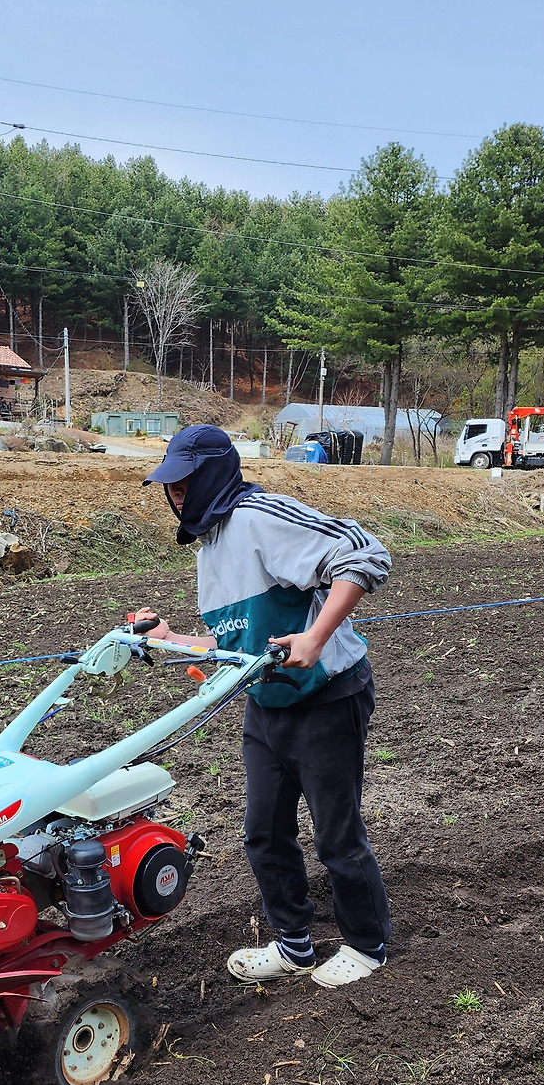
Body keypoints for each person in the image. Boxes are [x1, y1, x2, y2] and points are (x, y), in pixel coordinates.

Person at [138, 424, 392, 989]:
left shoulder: (259, 517)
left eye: (185, 482)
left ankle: (367, 944)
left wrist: (317, 636)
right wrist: (169, 639)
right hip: (267, 702)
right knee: (264, 832)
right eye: (169, 485)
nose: (176, 494)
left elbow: (363, 553)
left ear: (210, 476)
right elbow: (233, 647)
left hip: (327, 696)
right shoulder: (210, 546)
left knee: (336, 833)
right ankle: (294, 943)